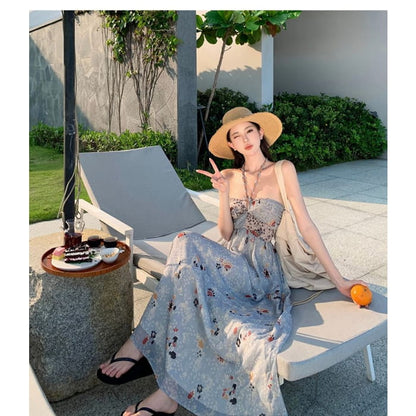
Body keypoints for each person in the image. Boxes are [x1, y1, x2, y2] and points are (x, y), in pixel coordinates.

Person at [98, 107, 366, 416]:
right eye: (236, 136)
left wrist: (339, 280)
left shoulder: (283, 170)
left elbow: (306, 225)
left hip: (260, 272)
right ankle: (166, 394)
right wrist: (224, 194)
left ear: (260, 133)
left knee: (185, 244)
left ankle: (140, 345)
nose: (245, 139)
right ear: (232, 145)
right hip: (228, 261)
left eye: (249, 131)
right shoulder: (228, 175)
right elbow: (225, 232)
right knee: (186, 264)